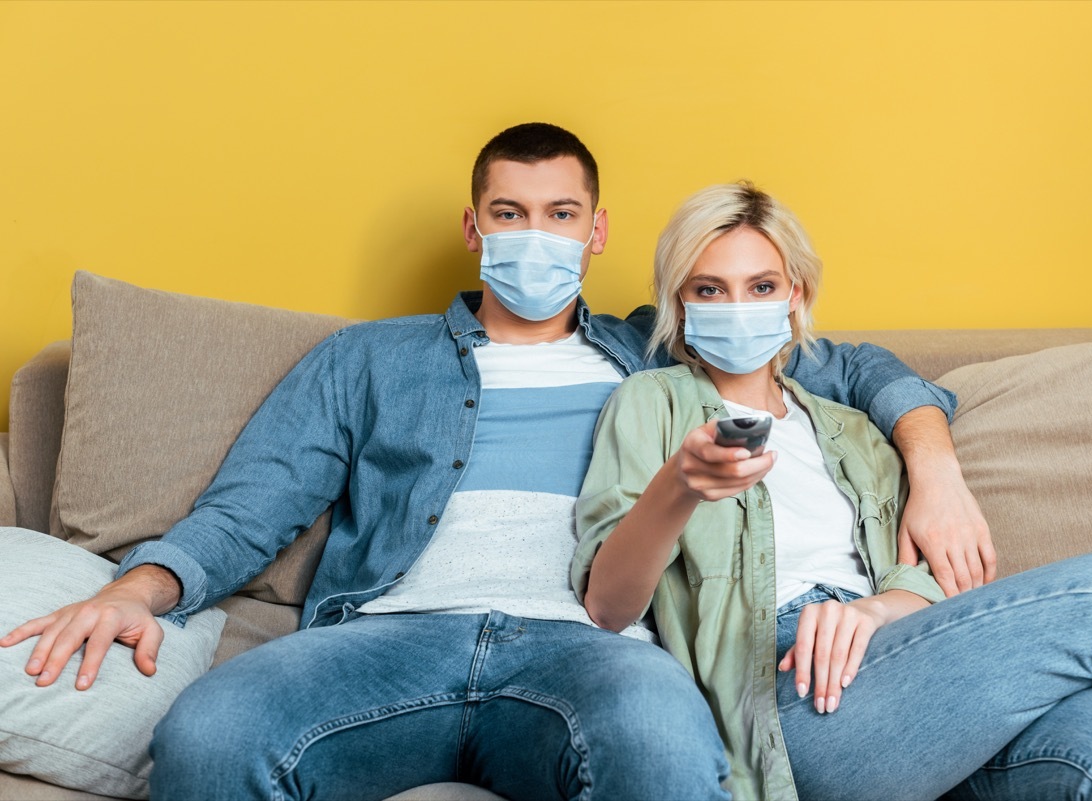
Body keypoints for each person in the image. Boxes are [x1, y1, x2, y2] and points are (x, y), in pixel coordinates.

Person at [4, 124, 987, 800]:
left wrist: (935, 471)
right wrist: (137, 589)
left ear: (595, 233)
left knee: (661, 739)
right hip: (386, 638)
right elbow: (248, 507)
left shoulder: (656, 350)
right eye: (509, 215)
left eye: (561, 214)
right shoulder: (369, 358)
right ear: (476, 231)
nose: (535, 237)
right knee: (208, 730)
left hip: (593, 648)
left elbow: (857, 365)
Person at [572, 181, 1092, 801]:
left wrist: (873, 610)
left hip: (903, 671)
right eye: (710, 289)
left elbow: (923, 578)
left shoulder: (853, 431)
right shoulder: (649, 403)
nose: (738, 307)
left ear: (796, 293)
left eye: (761, 286)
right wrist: (680, 487)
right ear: (679, 303)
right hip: (785, 697)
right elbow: (608, 605)